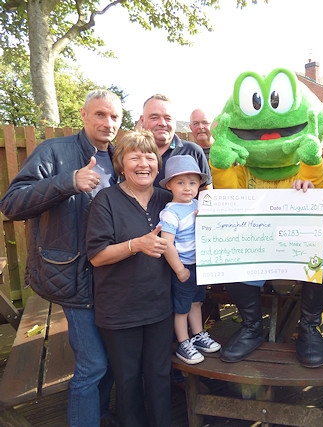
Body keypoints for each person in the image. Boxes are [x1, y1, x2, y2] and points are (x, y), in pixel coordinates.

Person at [0, 89, 122, 427]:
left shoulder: (120, 159)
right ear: (83, 115)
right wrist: (67, 181)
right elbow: (11, 203)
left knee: (111, 360)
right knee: (93, 364)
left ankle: (97, 416)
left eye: (114, 117)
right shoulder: (54, 152)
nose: (107, 123)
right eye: (100, 114)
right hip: (72, 278)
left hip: (111, 279)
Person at [86, 130, 174, 427]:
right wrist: (135, 245)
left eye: (149, 156)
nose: (143, 163)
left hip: (160, 307)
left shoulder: (168, 199)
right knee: (127, 380)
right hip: (120, 310)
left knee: (160, 376)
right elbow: (97, 256)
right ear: (120, 164)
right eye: (134, 157)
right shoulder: (106, 201)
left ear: (158, 164)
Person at [158, 155, 221, 364]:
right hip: (183, 266)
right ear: (169, 185)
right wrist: (178, 269)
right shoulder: (170, 213)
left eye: (193, 183)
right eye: (180, 182)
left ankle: (197, 335)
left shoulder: (198, 204)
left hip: (198, 265)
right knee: (182, 307)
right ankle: (183, 342)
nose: (187, 187)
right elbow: (167, 243)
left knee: (196, 302)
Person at [138, 94, 213, 189]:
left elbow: (206, 194)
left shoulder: (192, 152)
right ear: (142, 120)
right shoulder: (131, 153)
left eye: (167, 118)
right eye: (154, 118)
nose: (162, 123)